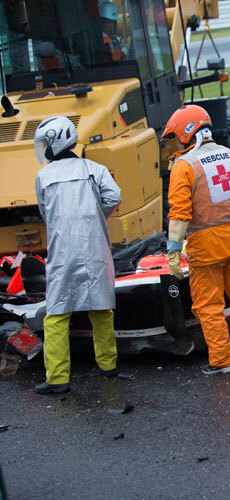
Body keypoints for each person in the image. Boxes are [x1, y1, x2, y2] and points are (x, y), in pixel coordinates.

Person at [163, 105, 230, 375]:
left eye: (177, 137)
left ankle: (223, 361)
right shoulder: (229, 154)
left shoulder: (184, 166)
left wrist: (174, 251)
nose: (176, 142)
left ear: (187, 133)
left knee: (208, 305)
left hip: (206, 244)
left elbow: (179, 214)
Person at [33, 116, 122, 394]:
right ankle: (108, 366)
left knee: (57, 314)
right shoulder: (94, 169)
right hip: (94, 247)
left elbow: (44, 211)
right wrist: (97, 216)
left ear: (56, 142)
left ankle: (58, 379)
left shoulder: (43, 176)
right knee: (101, 309)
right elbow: (114, 197)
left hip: (62, 251)